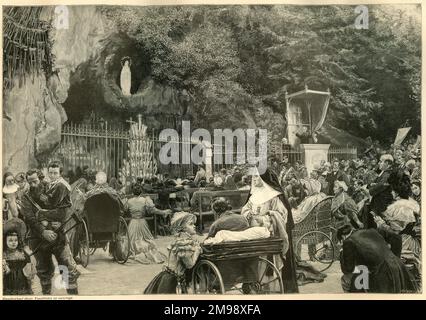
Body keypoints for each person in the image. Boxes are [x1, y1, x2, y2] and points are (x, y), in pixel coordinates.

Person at [20, 169, 80, 295]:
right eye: (29, 182)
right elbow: (30, 218)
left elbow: (65, 209)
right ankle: (46, 295)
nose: (32, 185)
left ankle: (73, 295)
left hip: (58, 236)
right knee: (44, 272)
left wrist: (60, 221)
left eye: (35, 181)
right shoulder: (26, 197)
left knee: (67, 269)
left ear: (41, 179)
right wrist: (43, 232)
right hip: (38, 239)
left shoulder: (53, 189)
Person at [241, 167, 298, 293]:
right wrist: (248, 213)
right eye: (253, 177)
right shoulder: (253, 195)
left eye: (256, 177)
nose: (253, 179)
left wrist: (265, 218)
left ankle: (271, 289)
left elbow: (282, 216)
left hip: (270, 235)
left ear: (263, 179)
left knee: (267, 262)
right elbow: (244, 210)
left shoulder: (274, 196)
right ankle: (253, 284)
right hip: (254, 234)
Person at [338, 224, 415, 293]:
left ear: (343, 237)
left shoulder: (348, 241)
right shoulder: (372, 230)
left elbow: (348, 269)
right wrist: (394, 257)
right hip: (398, 267)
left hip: (381, 274)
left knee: (346, 280)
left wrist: (342, 252)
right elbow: (397, 238)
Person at [373, 170, 421, 275]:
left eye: (392, 190)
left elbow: (395, 233)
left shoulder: (398, 207)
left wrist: (380, 223)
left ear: (396, 191)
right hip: (412, 242)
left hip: (403, 243)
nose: (391, 193)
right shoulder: (412, 202)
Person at [144, 212, 202, 294]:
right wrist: (197, 251)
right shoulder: (183, 242)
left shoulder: (180, 239)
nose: (194, 226)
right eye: (191, 224)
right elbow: (189, 264)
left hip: (168, 276)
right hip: (171, 281)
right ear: (183, 228)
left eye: (194, 224)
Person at [127, 184, 170, 264]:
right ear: (141, 192)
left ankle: (136, 253)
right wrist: (163, 212)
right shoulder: (145, 200)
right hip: (142, 222)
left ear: (133, 193)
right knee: (146, 239)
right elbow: (153, 210)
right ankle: (148, 253)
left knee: (132, 240)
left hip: (133, 223)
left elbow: (123, 210)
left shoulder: (129, 201)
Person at [3, 218, 35, 295]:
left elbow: (29, 265)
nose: (13, 243)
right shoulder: (3, 254)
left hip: (22, 281)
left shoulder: (22, 253)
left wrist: (29, 270)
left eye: (15, 240)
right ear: (5, 241)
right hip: (8, 281)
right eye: (10, 240)